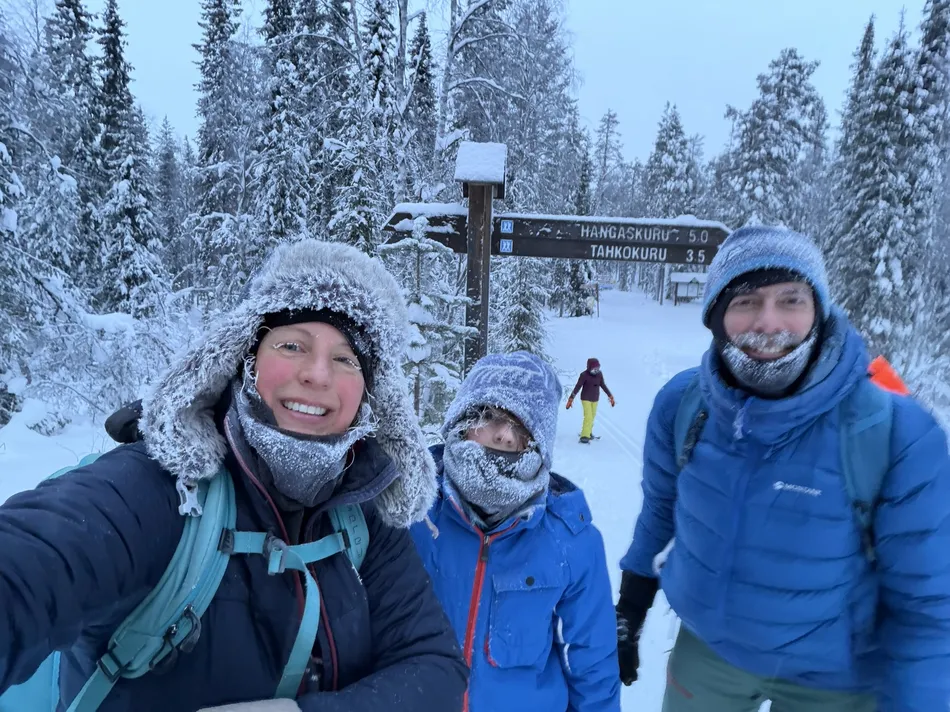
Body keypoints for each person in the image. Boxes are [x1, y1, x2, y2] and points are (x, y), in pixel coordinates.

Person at [0, 239, 468, 711]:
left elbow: (434, 666)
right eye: (292, 344)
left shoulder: (362, 518)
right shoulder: (162, 487)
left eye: (346, 359)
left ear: (369, 394)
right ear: (244, 357)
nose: (318, 375)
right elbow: (31, 565)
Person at [615, 225, 950, 711]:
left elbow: (929, 607)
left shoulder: (895, 431)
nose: (768, 322)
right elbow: (661, 512)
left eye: (790, 300)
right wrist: (632, 603)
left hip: (837, 676)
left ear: (819, 310)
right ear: (716, 316)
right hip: (710, 652)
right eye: (746, 301)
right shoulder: (683, 405)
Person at [411, 352, 620, 712]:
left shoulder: (570, 539)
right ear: (461, 420)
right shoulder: (411, 509)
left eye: (523, 426)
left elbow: (593, 658)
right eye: (489, 415)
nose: (505, 435)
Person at [566, 358, 614, 443]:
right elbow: (578, 386)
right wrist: (571, 398)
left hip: (595, 398)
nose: (596, 370)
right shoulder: (584, 375)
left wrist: (610, 395)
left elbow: (602, 385)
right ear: (589, 367)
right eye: (594, 369)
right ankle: (584, 436)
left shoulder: (599, 374)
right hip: (586, 398)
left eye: (597, 368)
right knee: (588, 416)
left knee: (592, 416)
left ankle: (589, 432)